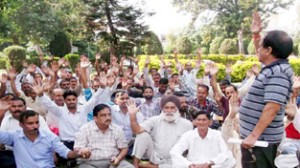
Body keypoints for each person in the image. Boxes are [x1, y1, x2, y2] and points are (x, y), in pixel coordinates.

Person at [239, 12, 294, 168]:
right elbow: (260, 54)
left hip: (260, 142)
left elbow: (272, 107)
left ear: (269, 50)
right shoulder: (273, 67)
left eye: (261, 46)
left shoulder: (279, 74)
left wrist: (253, 136)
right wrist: (256, 35)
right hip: (256, 139)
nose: (258, 49)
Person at [0, 110, 88, 167]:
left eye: (37, 122)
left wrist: (79, 153)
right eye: (30, 123)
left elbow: (66, 153)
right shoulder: (14, 136)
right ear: (21, 125)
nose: (35, 126)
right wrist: (1, 114)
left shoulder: (49, 136)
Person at [128, 95, 193, 168]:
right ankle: (136, 165)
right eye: (166, 108)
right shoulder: (155, 120)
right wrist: (132, 115)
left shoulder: (187, 124)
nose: (169, 111)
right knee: (142, 135)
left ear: (177, 108)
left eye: (172, 108)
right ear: (162, 109)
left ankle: (149, 166)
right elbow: (137, 130)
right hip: (155, 157)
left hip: (175, 160)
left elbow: (191, 145)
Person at [74, 104, 134, 168]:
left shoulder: (117, 129)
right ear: (95, 118)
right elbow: (77, 150)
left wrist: (118, 159)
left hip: (113, 162)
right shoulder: (85, 129)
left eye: (109, 115)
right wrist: (82, 151)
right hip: (90, 163)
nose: (108, 118)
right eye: (103, 115)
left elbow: (124, 148)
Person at [170, 111, 236, 168]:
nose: (201, 122)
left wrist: (210, 163)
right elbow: (174, 151)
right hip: (194, 166)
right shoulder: (188, 135)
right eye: (199, 120)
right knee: (175, 162)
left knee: (231, 159)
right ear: (195, 122)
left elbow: (226, 152)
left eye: (204, 120)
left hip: (212, 166)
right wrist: (189, 164)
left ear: (210, 122)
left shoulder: (218, 135)